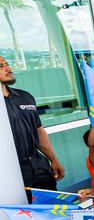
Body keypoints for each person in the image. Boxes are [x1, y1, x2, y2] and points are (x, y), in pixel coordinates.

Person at [1, 56, 64, 192]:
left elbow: (39, 131)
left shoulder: (25, 97)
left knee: (52, 206)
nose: (8, 69)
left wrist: (54, 159)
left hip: (38, 164)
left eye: (7, 64)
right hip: (12, 171)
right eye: (1, 66)